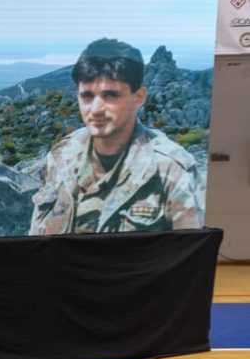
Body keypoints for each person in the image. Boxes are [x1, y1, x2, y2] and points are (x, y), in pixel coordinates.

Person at [29, 38, 205, 234]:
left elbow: (189, 249)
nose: (96, 109)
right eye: (87, 96)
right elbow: (36, 240)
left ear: (138, 97)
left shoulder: (172, 169)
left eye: (111, 95)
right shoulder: (62, 156)